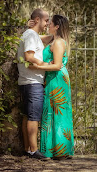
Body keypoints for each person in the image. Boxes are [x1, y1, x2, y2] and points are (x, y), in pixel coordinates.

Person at [29, 15, 74, 160]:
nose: (48, 25)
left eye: (51, 23)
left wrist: (37, 67)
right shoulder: (52, 39)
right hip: (51, 80)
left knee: (58, 114)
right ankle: (55, 150)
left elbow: (57, 65)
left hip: (57, 80)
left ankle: (61, 151)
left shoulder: (59, 43)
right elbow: (34, 37)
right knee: (51, 113)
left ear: (57, 26)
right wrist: (29, 27)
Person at [17, 8, 51, 160]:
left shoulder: (32, 35)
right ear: (37, 20)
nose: (47, 23)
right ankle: (34, 151)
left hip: (27, 82)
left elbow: (45, 38)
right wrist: (43, 64)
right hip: (33, 83)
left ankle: (27, 148)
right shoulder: (31, 35)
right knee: (33, 117)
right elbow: (29, 57)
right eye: (46, 20)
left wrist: (57, 32)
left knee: (27, 115)